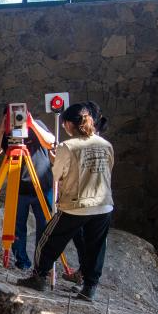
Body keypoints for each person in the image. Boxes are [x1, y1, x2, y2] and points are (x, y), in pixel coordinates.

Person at [17, 103, 115, 301]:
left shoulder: (67, 146)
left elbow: (56, 174)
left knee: (49, 240)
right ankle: (90, 287)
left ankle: (39, 276)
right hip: (103, 205)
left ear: (70, 124)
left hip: (75, 205)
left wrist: (55, 159)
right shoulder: (106, 145)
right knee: (95, 247)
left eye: (64, 125)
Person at [0, 107, 54, 271]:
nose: (17, 118)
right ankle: (22, 262)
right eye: (11, 116)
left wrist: (32, 124)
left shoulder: (37, 125)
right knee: (17, 227)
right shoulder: (7, 132)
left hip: (42, 185)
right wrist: (2, 130)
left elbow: (51, 142)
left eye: (20, 114)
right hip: (18, 187)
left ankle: (42, 265)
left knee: (45, 227)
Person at [61, 101, 109, 286]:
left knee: (88, 240)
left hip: (87, 201)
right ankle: (85, 276)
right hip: (96, 201)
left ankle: (86, 276)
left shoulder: (94, 144)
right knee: (84, 239)